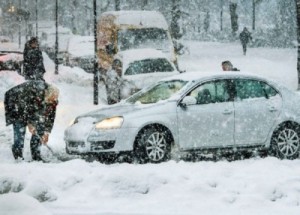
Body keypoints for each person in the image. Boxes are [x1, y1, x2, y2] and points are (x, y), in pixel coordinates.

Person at [4, 81, 59, 161]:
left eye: (54, 100)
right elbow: (24, 108)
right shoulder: (34, 91)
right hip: (15, 102)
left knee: (40, 128)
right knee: (20, 129)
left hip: (29, 107)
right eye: (51, 100)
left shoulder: (52, 100)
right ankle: (18, 155)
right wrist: (30, 123)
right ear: (47, 95)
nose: (53, 101)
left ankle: (36, 155)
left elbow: (50, 117)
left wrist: (46, 132)